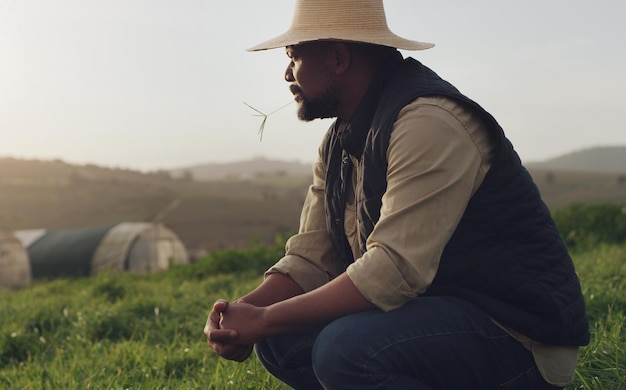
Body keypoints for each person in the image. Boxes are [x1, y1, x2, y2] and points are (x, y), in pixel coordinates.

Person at [204, 1, 590, 389]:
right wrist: (245, 311)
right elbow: (311, 257)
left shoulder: (428, 121)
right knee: (280, 339)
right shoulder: (339, 140)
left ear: (338, 58)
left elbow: (391, 272)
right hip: (432, 315)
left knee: (345, 349)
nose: (288, 73)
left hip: (515, 336)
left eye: (294, 56)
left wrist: (267, 318)